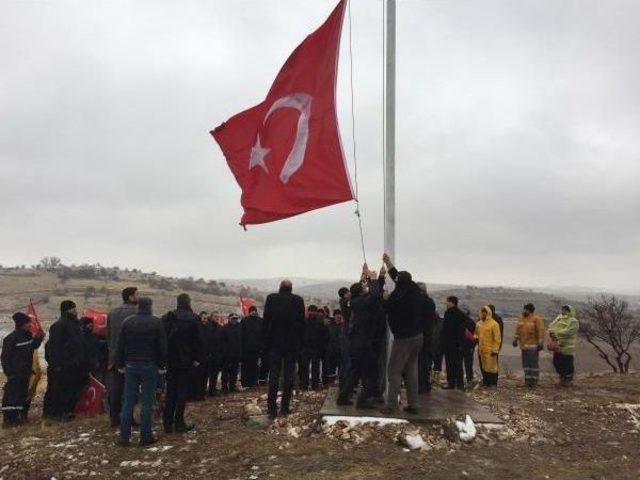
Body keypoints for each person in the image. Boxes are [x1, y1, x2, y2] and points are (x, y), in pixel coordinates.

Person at [115, 297, 167, 446]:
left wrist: (120, 364)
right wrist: (162, 365)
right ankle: (145, 436)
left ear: (138, 307)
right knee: (147, 402)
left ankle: (124, 437)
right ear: (150, 306)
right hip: (149, 366)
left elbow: (120, 345)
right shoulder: (156, 322)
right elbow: (162, 347)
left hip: (130, 365)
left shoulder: (127, 322)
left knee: (128, 401)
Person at [380, 254, 424, 415]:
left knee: (394, 371)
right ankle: (414, 404)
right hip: (418, 336)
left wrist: (384, 296)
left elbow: (386, 307)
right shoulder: (414, 289)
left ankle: (391, 405)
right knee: (411, 370)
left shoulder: (398, 297)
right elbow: (398, 277)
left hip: (403, 339)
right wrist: (388, 263)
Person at [263, 280, 305, 419]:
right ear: (291, 288)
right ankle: (285, 407)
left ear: (280, 288)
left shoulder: (271, 299)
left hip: (275, 344)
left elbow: (266, 321)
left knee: (274, 376)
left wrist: (266, 342)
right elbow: (301, 324)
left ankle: (271, 408)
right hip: (292, 345)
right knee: (288, 376)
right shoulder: (298, 300)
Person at [162, 293, 203, 433]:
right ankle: (179, 423)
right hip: (186, 360)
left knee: (170, 392)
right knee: (182, 392)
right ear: (188, 302)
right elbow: (198, 341)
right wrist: (197, 358)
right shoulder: (193, 318)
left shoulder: (168, 317)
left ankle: (167, 423)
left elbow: (162, 339)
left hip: (171, 360)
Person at [43, 300, 88, 421]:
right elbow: (55, 347)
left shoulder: (76, 325)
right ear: (67, 310)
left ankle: (67, 411)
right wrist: (57, 364)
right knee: (59, 390)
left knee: (72, 390)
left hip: (75, 364)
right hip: (64, 364)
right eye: (73, 309)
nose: (75, 311)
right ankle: (55, 414)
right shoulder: (59, 325)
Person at [1, 312, 45, 427]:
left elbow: (32, 347)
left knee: (21, 396)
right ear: (21, 324)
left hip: (25, 373)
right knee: (11, 397)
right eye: (27, 323)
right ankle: (9, 420)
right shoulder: (10, 339)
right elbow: (5, 358)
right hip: (15, 374)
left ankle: (19, 417)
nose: (30, 325)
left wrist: (39, 338)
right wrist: (10, 374)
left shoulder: (27, 336)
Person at [106, 287, 139, 426]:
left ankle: (114, 418)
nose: (139, 297)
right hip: (132, 358)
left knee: (115, 390)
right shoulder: (136, 313)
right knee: (131, 390)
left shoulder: (112, 313)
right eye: (137, 294)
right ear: (131, 297)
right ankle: (128, 418)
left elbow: (108, 336)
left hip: (114, 358)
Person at [513, 303, 545, 387]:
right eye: (524, 309)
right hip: (523, 346)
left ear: (530, 311)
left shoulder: (536, 319)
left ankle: (534, 381)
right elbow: (518, 331)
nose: (524, 311)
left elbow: (540, 331)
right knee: (526, 364)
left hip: (533, 346)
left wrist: (540, 343)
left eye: (526, 310)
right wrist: (515, 339)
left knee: (533, 364)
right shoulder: (521, 319)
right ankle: (527, 380)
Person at [300, 306, 329, 390]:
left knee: (305, 367)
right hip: (316, 348)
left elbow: (299, 333)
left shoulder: (304, 321)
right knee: (315, 368)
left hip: (306, 347)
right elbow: (326, 336)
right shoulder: (321, 322)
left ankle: (304, 385)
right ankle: (314, 385)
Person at [549, 305, 579, 386]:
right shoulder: (559, 318)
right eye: (562, 309)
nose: (563, 311)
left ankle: (568, 380)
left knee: (567, 363)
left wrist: (556, 333)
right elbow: (551, 326)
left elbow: (568, 332)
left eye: (565, 310)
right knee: (557, 362)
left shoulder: (573, 321)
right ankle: (562, 378)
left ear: (569, 311)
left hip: (567, 346)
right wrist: (552, 333)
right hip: (557, 345)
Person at [441, 296, 466, 390]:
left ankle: (455, 384)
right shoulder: (455, 314)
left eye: (447, 302)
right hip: (453, 344)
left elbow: (449, 330)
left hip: (453, 344)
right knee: (453, 364)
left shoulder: (454, 314)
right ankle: (456, 384)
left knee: (454, 364)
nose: (446, 304)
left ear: (452, 303)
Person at [416, 282, 437, 394]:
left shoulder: (419, 302)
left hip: (420, 334)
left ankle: (421, 384)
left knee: (420, 361)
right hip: (428, 335)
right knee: (426, 362)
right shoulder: (430, 302)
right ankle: (425, 384)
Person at [475, 306, 501, 387]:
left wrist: (495, 350)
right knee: (484, 366)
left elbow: (497, 338)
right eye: (482, 312)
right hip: (481, 350)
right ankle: (486, 382)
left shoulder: (494, 324)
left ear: (488, 313)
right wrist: (474, 339)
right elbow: (476, 334)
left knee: (492, 367)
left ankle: (493, 383)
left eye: (485, 312)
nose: (483, 314)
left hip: (490, 350)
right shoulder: (478, 324)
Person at [241, 306, 263, 388]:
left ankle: (254, 382)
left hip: (257, 348)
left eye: (255, 311)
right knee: (246, 366)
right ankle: (246, 383)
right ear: (249, 312)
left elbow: (263, 335)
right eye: (252, 311)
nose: (254, 312)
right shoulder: (244, 321)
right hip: (246, 348)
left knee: (255, 366)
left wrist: (261, 347)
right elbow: (241, 335)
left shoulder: (260, 321)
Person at [221, 313, 242, 393]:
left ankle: (232, 387)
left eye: (236, 319)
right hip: (227, 355)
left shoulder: (239, 328)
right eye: (233, 319)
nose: (234, 320)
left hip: (236, 354)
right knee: (225, 372)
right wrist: (225, 352)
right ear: (229, 319)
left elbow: (240, 342)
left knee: (234, 372)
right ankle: (224, 388)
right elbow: (222, 342)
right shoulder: (224, 328)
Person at [205, 314, 224, 396]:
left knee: (214, 374)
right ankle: (203, 390)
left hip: (217, 354)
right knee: (206, 374)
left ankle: (212, 389)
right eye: (215, 316)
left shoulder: (220, 328)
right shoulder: (207, 326)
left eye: (218, 317)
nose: (217, 318)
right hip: (208, 354)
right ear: (211, 317)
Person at [337, 287, 352, 389]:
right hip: (346, 334)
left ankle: (344, 385)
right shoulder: (346, 302)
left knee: (345, 361)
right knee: (347, 361)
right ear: (345, 294)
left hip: (344, 333)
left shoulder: (344, 302)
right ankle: (345, 387)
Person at [323, 310, 342, 387]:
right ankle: (331, 382)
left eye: (339, 315)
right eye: (336, 315)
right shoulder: (329, 326)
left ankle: (342, 382)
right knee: (331, 368)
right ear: (334, 316)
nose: (338, 317)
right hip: (331, 350)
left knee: (341, 367)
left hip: (341, 350)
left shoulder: (343, 326)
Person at [461, 307, 477, 384]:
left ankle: (468, 378)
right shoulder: (471, 322)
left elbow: (474, 336)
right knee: (468, 364)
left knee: (467, 364)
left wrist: (472, 346)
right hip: (466, 346)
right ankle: (469, 378)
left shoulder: (469, 322)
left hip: (466, 346)